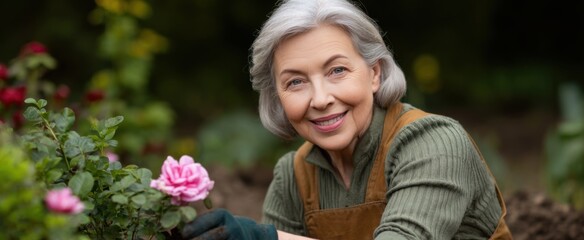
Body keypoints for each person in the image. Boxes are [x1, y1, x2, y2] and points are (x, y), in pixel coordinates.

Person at [182, 0, 513, 239]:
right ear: (278, 98)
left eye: (337, 70)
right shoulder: (293, 177)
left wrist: (267, 239)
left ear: (374, 74)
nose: (321, 98)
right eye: (295, 81)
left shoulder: (434, 143)